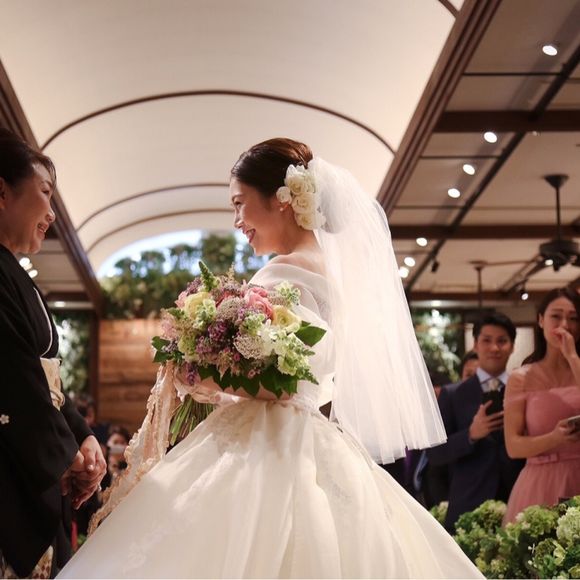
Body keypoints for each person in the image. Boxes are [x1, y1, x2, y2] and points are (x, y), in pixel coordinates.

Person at [58, 138, 481, 578]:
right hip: (316, 437)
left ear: (281, 199)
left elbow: (283, 385)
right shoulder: (338, 276)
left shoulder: (284, 271)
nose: (237, 221)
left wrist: (199, 372)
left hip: (264, 442)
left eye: (239, 204)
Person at [0, 129, 107, 578]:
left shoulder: (14, 274)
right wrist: (69, 458)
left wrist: (82, 436)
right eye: (45, 193)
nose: (51, 214)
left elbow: (50, 382)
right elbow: (13, 378)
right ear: (2, 193)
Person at [427, 313, 525, 532]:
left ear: (512, 346)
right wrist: (470, 435)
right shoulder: (452, 395)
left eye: (502, 341)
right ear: (476, 344)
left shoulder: (524, 389)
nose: (494, 348)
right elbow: (435, 454)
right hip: (468, 504)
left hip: (518, 499)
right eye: (487, 340)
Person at [503, 287, 580, 524]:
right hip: (541, 482)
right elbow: (513, 447)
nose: (565, 325)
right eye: (556, 316)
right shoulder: (521, 378)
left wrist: (573, 358)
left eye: (574, 318)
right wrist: (554, 438)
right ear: (540, 320)